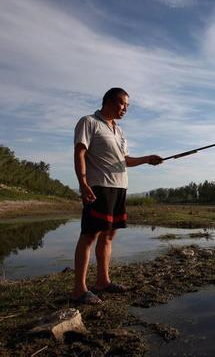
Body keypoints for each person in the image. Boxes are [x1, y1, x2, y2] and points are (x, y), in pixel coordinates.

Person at [71, 87, 163, 304]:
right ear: (109, 101)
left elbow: (125, 160)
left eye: (127, 105)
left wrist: (148, 158)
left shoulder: (119, 131)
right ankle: (78, 290)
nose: (125, 109)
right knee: (90, 235)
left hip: (119, 187)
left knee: (109, 235)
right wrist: (82, 183)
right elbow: (79, 152)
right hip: (99, 187)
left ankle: (103, 281)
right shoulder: (88, 122)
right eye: (123, 104)